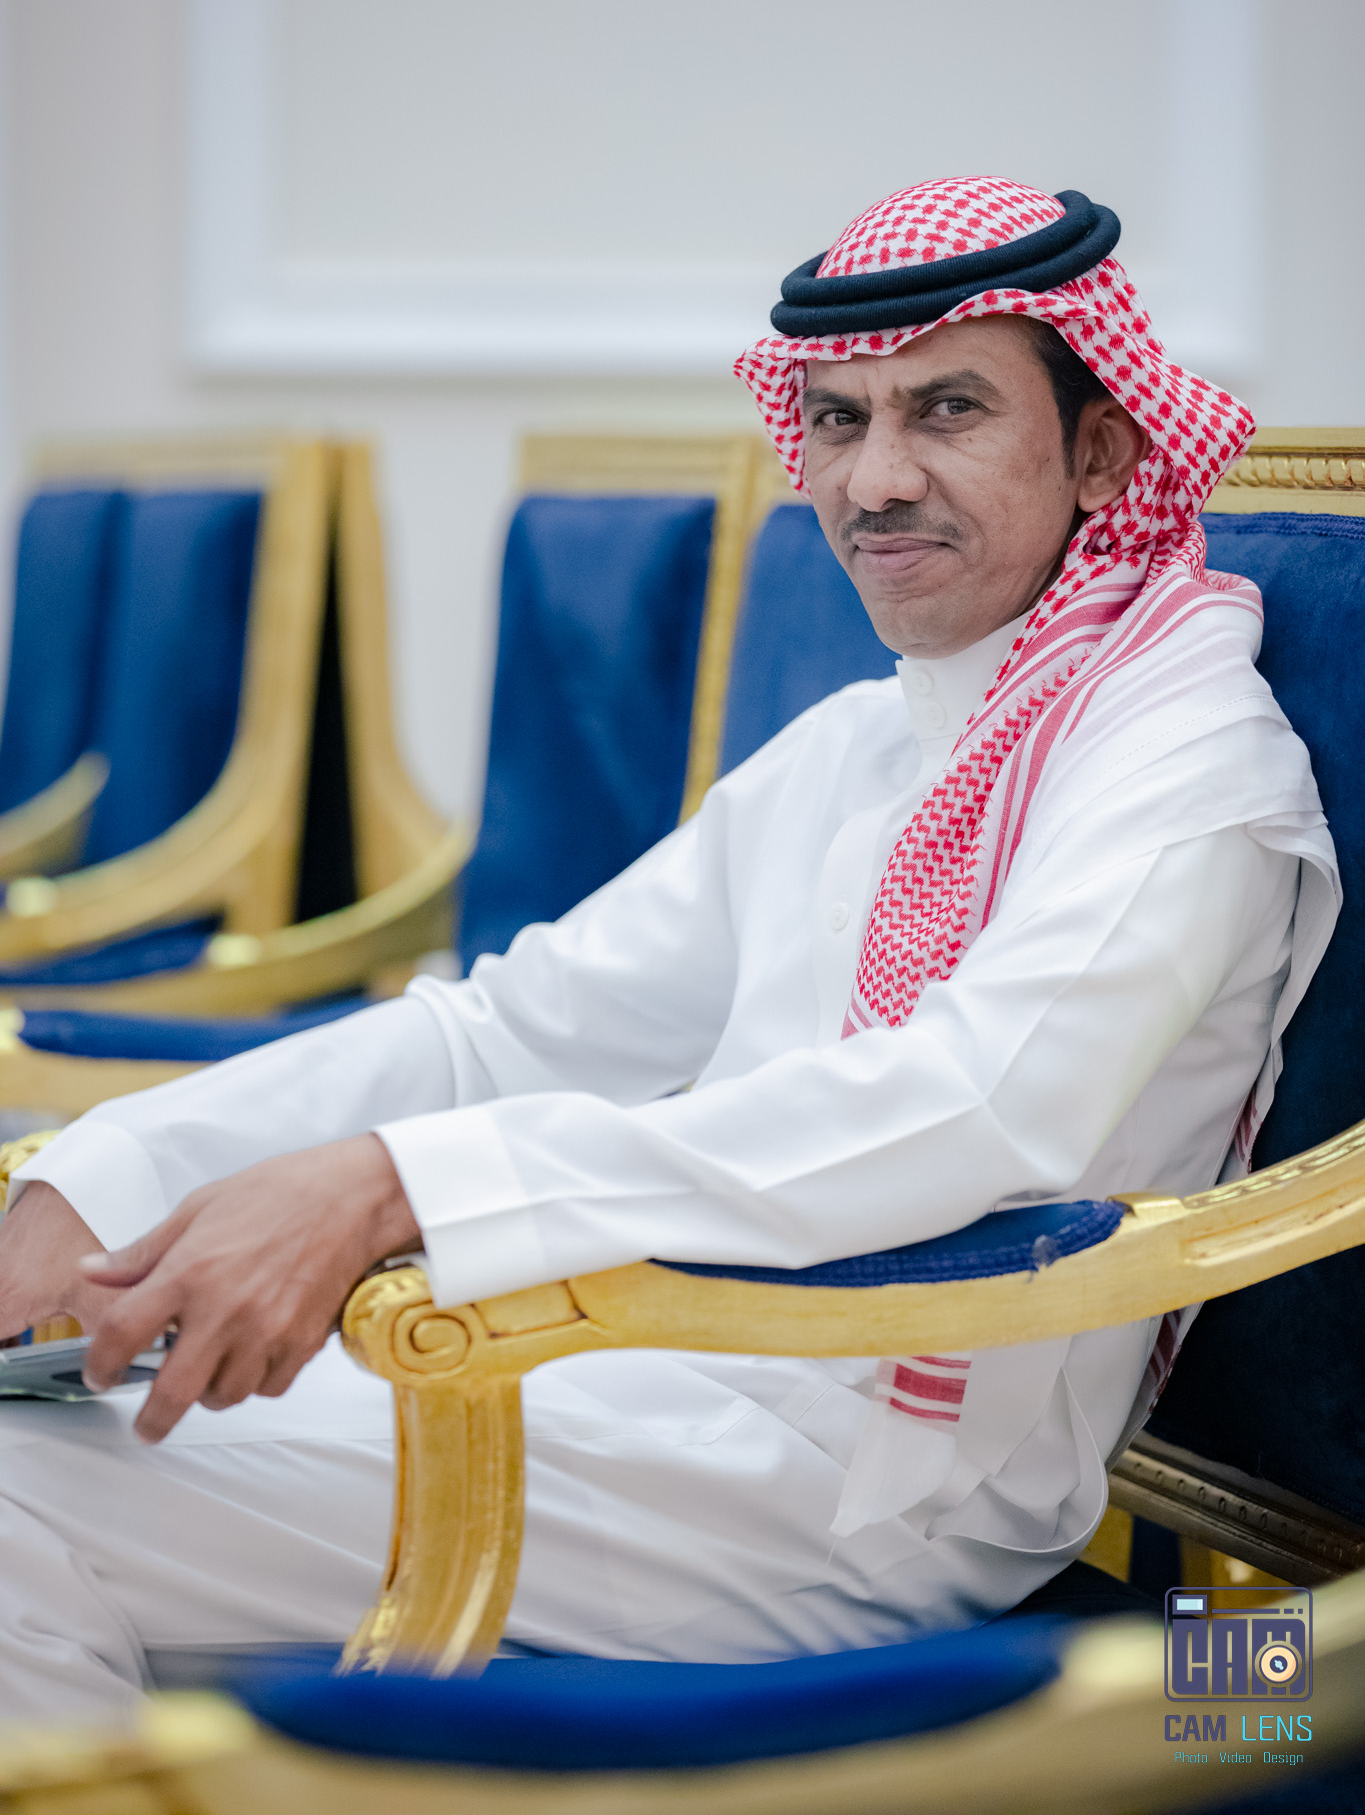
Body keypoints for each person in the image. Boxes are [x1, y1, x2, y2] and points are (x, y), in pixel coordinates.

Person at [0, 178, 1338, 1716]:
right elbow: (514, 1027)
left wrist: (391, 1188)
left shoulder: (1184, 761)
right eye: (835, 421)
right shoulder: (870, 739)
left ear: (1100, 450)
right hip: (631, 1369)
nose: (875, 480)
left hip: (864, 1481)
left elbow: (974, 1107)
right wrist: (108, 1172)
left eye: (947, 410)